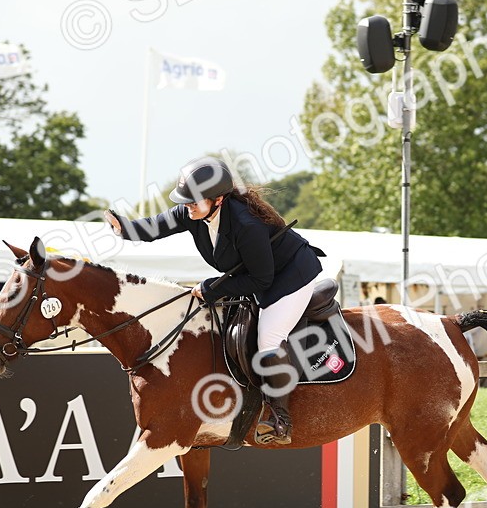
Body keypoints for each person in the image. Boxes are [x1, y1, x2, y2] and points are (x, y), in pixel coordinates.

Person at [105, 157, 327, 445]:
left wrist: (211, 288)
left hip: (289, 276)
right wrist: (124, 228)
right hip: (255, 274)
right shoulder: (193, 211)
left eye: (194, 201)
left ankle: (279, 417)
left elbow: (262, 280)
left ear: (218, 199)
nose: (187, 206)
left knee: (268, 337)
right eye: (185, 200)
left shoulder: (246, 225)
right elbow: (154, 227)